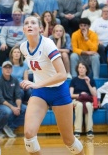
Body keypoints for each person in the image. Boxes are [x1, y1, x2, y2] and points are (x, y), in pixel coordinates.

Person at [20, 15, 85, 155]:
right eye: (26, 23)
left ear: (41, 29)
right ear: (23, 29)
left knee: (69, 140)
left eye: (33, 23)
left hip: (59, 91)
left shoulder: (48, 44)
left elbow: (62, 74)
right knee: (29, 135)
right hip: (40, 92)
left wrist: (37, 84)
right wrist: (36, 84)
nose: (29, 25)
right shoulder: (23, 48)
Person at [0, 60, 27, 138]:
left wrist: (18, 107)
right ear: (2, 69)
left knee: (25, 109)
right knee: (7, 111)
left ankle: (10, 127)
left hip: (13, 103)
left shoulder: (15, 80)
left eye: (9, 68)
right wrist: (12, 107)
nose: (8, 69)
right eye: (5, 68)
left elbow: (18, 96)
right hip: (1, 104)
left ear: (12, 70)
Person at [70, 62, 97, 138]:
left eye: (83, 67)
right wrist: (80, 95)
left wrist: (88, 84)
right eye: (80, 67)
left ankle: (89, 130)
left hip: (88, 100)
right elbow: (70, 95)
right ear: (77, 69)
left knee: (88, 105)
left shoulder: (91, 80)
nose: (81, 69)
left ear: (86, 70)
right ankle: (77, 130)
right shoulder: (74, 80)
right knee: (79, 105)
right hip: (77, 100)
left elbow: (94, 94)